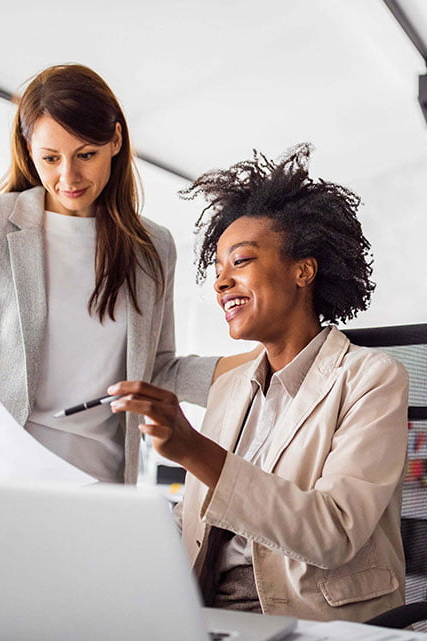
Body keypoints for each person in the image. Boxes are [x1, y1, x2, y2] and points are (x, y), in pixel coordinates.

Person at [109, 144, 409, 621]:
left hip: (308, 618)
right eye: (218, 269)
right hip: (209, 612)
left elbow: (333, 532)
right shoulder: (231, 387)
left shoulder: (372, 379)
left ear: (302, 271)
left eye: (241, 262)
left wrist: (193, 449)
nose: (221, 283)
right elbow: (197, 517)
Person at [0, 63, 253, 482]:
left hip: (97, 486)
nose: (68, 177)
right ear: (28, 148)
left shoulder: (152, 247)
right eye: (51, 158)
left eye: (86, 155)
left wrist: (263, 363)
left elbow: (158, 369)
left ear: (115, 140)